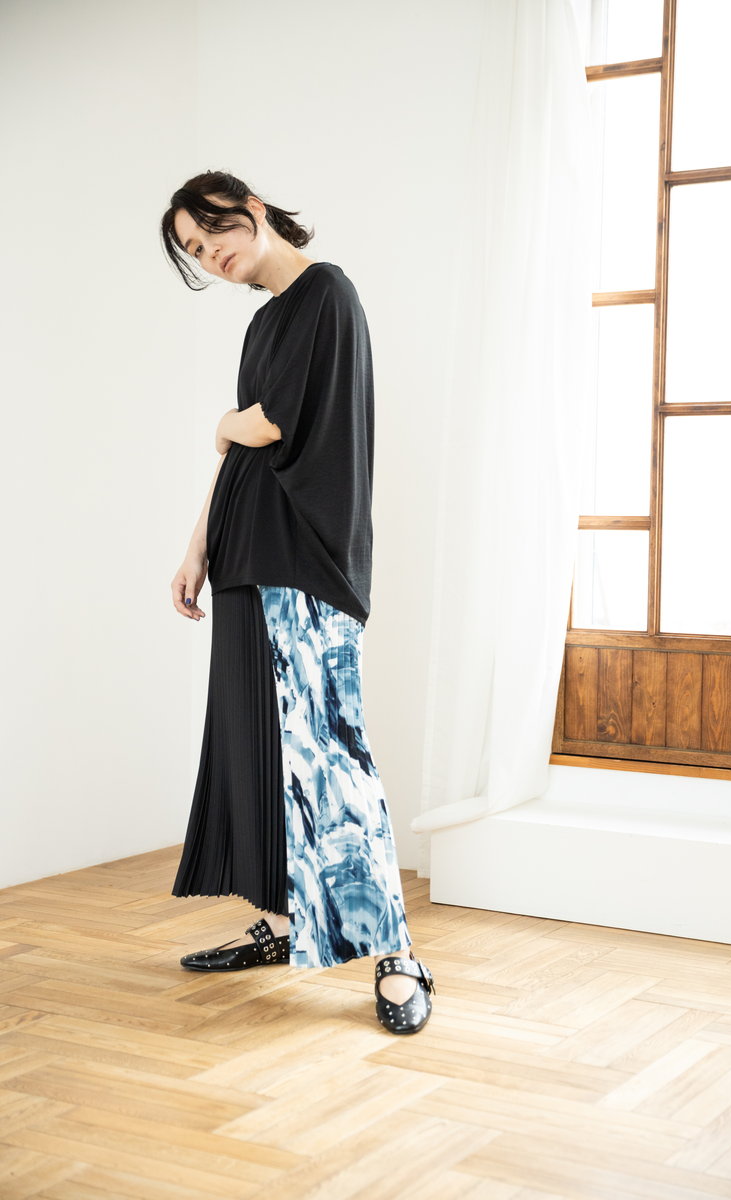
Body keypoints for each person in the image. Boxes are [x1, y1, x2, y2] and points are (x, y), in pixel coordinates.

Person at [159, 171, 434, 1034]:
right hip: (245, 558)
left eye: (213, 235)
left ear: (250, 208)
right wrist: (198, 544)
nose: (211, 256)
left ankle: (398, 956)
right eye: (195, 252)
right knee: (261, 752)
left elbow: (266, 424)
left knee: (329, 758)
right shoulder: (263, 323)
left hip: (305, 561)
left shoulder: (326, 294)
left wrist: (222, 423)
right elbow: (241, 451)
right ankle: (285, 924)